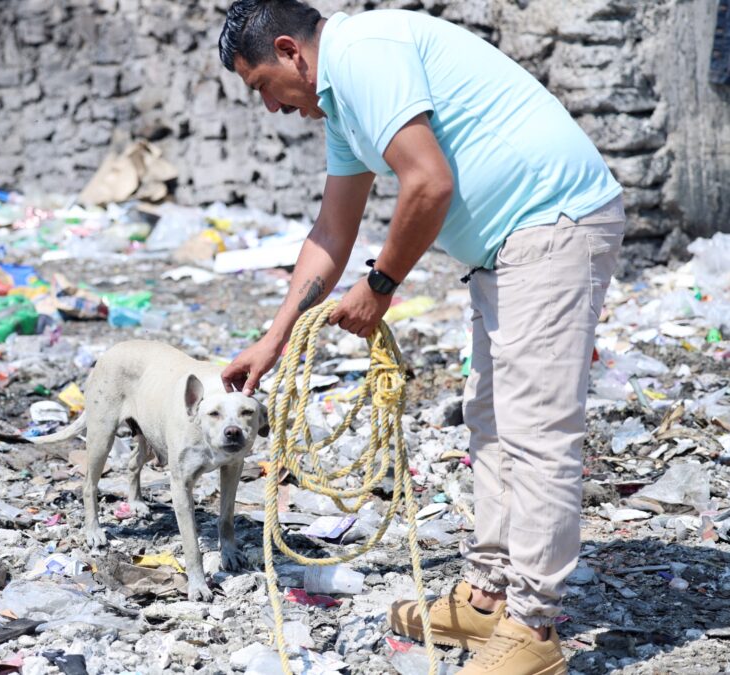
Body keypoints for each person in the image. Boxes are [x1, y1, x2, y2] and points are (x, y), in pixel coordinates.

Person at [217, 2, 625, 674]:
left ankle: (533, 626)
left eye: (260, 84)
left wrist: (379, 285)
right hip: (509, 244)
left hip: (553, 222)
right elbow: (331, 231)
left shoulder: (361, 55)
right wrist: (276, 337)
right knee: (491, 418)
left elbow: (428, 183)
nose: (269, 107)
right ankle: (489, 592)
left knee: (537, 427)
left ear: (290, 52)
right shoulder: (343, 102)